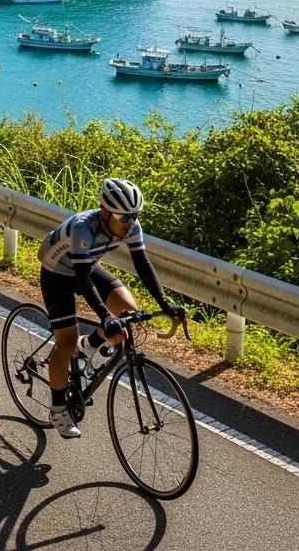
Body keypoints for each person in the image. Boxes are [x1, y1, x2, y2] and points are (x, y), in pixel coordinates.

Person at [37, 178, 185, 440]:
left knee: (128, 313)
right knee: (67, 341)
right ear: (105, 212)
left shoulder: (131, 226)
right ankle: (58, 407)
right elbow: (82, 278)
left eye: (134, 216)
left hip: (86, 265)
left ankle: (89, 347)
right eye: (124, 216)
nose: (129, 222)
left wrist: (166, 304)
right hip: (58, 272)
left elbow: (142, 263)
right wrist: (105, 316)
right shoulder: (84, 229)